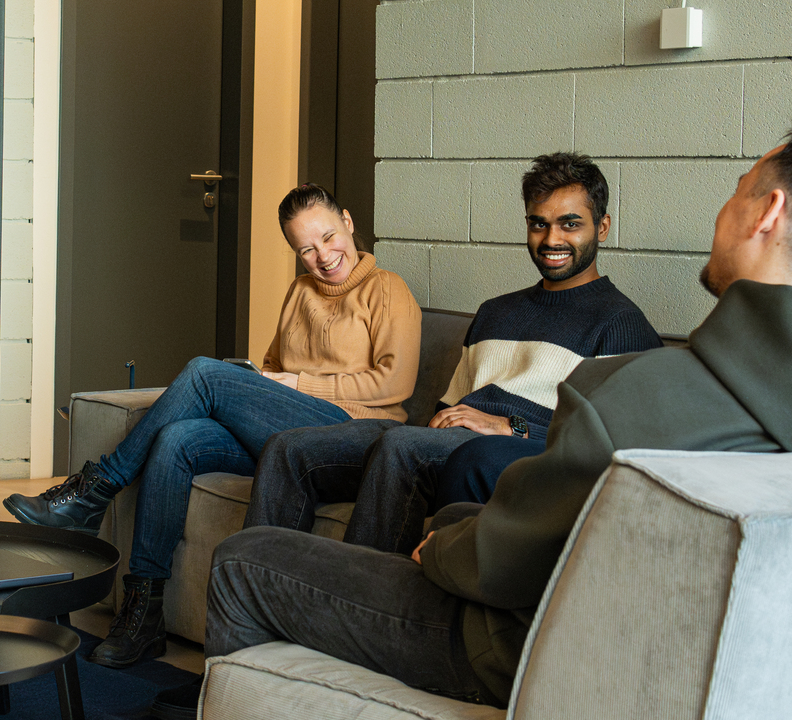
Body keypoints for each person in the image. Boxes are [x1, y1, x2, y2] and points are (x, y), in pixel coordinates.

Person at [149, 116, 792, 720]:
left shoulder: (638, 392)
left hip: (519, 651)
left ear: (770, 214)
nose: (724, 211)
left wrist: (440, 544)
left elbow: (495, 563)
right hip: (704, 679)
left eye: (739, 191)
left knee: (250, 559)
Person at [4, 183, 422, 668]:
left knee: (205, 372)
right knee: (176, 438)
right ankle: (144, 610)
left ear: (348, 222)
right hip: (287, 429)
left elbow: (394, 383)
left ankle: (94, 489)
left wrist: (298, 385)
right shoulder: (300, 292)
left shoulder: (387, 289)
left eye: (329, 237)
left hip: (349, 433)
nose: (324, 256)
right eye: (306, 249)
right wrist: (269, 385)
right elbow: (270, 367)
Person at [243, 153, 661, 555]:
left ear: (601, 227)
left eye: (571, 224)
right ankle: (257, 588)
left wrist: (509, 425)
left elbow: (612, 443)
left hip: (510, 453)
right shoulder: (496, 312)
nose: (552, 239)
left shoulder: (620, 323)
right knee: (288, 448)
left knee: (402, 447)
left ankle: (359, 599)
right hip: (439, 445)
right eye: (539, 224)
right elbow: (445, 412)